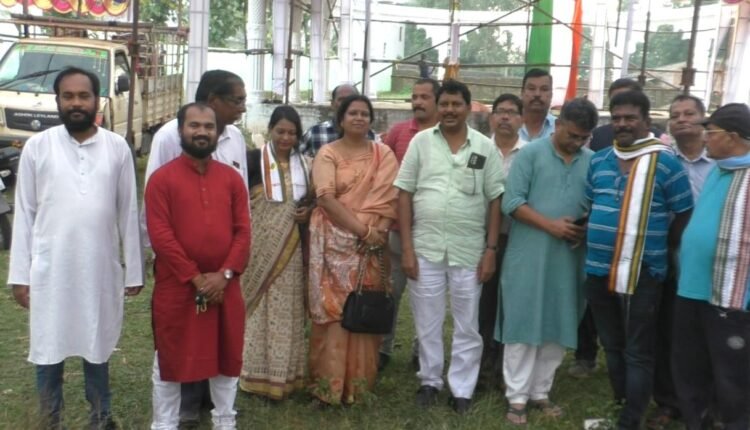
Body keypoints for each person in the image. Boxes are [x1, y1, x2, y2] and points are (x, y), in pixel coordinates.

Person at [8, 66, 144, 429]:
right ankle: (49, 419)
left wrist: (133, 270)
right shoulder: (38, 147)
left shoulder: (116, 148)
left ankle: (101, 418)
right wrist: (20, 275)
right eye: (68, 96)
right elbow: (25, 214)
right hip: (50, 268)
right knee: (48, 345)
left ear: (97, 100)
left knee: (95, 343)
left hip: (98, 266)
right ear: (57, 101)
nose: (76, 103)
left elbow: (128, 212)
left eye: (83, 96)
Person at [142, 69, 249, 424]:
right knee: (170, 356)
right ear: (181, 131)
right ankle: (164, 423)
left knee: (226, 352)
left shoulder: (231, 179)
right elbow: (161, 234)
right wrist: (195, 278)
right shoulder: (162, 180)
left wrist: (225, 274)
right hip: (178, 285)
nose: (201, 132)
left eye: (208, 127)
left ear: (217, 133)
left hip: (225, 285)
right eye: (194, 126)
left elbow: (243, 231)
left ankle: (225, 421)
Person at [584, 90, 693, 430]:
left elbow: (684, 212)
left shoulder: (666, 163)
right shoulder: (599, 160)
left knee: (638, 350)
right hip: (597, 269)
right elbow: (591, 203)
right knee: (611, 344)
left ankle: (631, 420)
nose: (622, 124)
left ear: (646, 120)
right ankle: (621, 403)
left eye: (630, 117)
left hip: (643, 272)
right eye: (616, 118)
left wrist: (657, 244)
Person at [395, 80, 504, 414]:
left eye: (457, 104)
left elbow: (495, 200)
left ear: (468, 108)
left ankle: (462, 389)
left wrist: (490, 250)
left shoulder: (484, 147)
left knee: (467, 324)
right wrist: (407, 249)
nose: (450, 110)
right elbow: (404, 193)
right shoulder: (420, 143)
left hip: (469, 250)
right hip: (425, 247)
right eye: (444, 104)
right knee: (427, 321)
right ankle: (429, 381)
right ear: (437, 106)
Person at [500, 98, 598, 425]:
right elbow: (512, 202)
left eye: (583, 137)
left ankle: (540, 391)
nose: (577, 142)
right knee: (523, 320)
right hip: (529, 253)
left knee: (560, 318)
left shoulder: (593, 161)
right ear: (559, 124)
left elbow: (597, 205)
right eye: (572, 135)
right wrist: (551, 226)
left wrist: (584, 230)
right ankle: (516, 397)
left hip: (569, 256)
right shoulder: (530, 154)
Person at [307, 94, 399, 406]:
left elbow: (389, 199)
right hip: (334, 243)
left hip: (371, 247)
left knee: (365, 305)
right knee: (333, 313)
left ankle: (359, 387)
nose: (359, 118)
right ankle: (328, 387)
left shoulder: (383, 154)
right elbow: (325, 198)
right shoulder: (328, 153)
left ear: (371, 120)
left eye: (364, 114)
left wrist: (378, 232)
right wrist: (364, 232)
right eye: (353, 113)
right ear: (341, 119)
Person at [672, 103, 750, 430]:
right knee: (690, 368)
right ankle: (697, 423)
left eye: (712, 132)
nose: (706, 138)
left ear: (732, 137)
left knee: (732, 377)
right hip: (692, 289)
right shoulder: (719, 170)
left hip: (732, 297)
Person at [647, 94, 713, 430]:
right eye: (675, 115)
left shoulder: (719, 162)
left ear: (703, 119)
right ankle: (668, 401)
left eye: (689, 113)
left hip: (710, 264)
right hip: (669, 258)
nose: (682, 119)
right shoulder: (661, 161)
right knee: (668, 333)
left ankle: (709, 404)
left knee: (709, 336)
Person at [239, 105, 313, 400]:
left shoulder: (306, 164)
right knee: (257, 308)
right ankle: (253, 374)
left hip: (291, 249)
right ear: (270, 130)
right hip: (257, 248)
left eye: (292, 133)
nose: (286, 138)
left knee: (287, 309)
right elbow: (239, 201)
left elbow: (313, 201)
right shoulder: (252, 160)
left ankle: (285, 377)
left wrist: (309, 212)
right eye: (280, 131)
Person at [380, 77, 440, 371]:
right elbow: (381, 171)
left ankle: (421, 351)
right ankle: (383, 348)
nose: (418, 102)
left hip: (432, 231)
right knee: (391, 291)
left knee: (428, 295)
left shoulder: (447, 135)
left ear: (437, 100)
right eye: (415, 97)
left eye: (424, 97)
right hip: (396, 228)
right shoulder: (399, 132)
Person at [478, 93, 527, 388]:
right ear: (491, 117)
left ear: (522, 119)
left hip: (519, 237)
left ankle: (506, 367)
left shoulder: (531, 153)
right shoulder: (478, 149)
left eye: (511, 112)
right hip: (480, 237)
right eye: (500, 112)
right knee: (484, 302)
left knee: (510, 302)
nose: (505, 117)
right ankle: (483, 362)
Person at [299, 84, 377, 157]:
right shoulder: (314, 133)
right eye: (341, 100)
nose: (346, 104)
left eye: (351, 100)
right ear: (332, 104)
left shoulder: (370, 136)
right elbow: (296, 159)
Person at [588, 79, 664, 152]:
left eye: (628, 98)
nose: (622, 124)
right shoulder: (597, 137)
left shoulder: (660, 142)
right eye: (617, 100)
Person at [519, 68, 555, 143]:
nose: (537, 94)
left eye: (544, 89)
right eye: (531, 88)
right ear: (522, 93)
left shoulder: (559, 129)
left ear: (551, 95)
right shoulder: (508, 125)